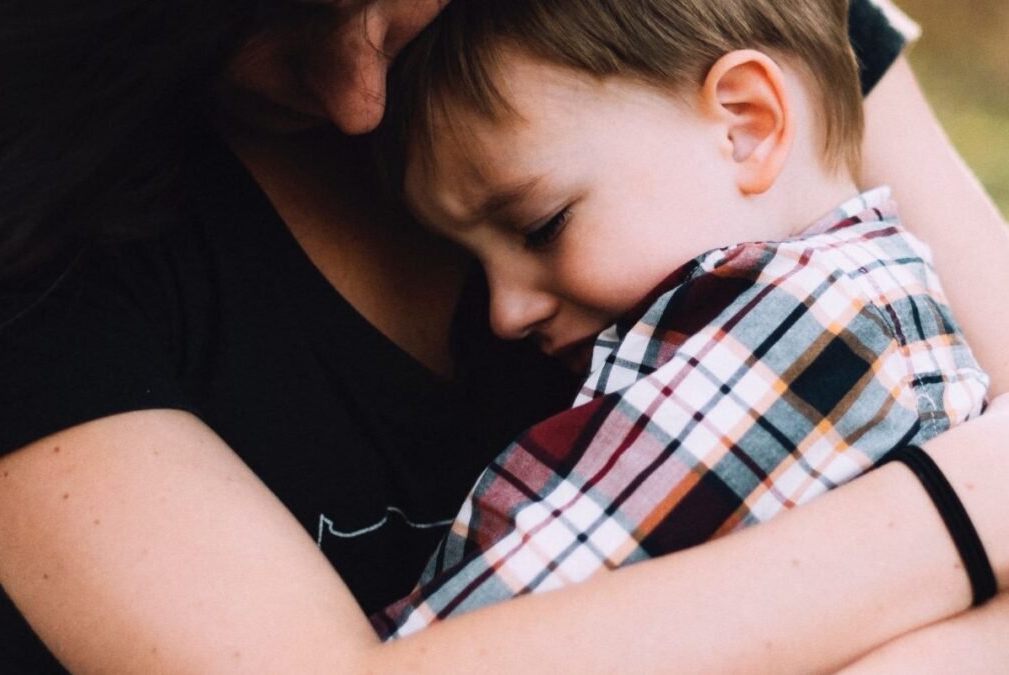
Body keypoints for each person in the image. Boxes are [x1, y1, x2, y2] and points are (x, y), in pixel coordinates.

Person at [0, 0, 1008, 672]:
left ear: (746, 119)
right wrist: (961, 511)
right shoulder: (3, 233)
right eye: (258, 24)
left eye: (539, 224)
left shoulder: (681, 30)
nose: (361, 97)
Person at [371, 0, 992, 637]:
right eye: (474, 265)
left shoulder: (805, 331)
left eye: (541, 227)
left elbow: (489, 633)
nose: (504, 313)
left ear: (746, 127)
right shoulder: (860, 299)